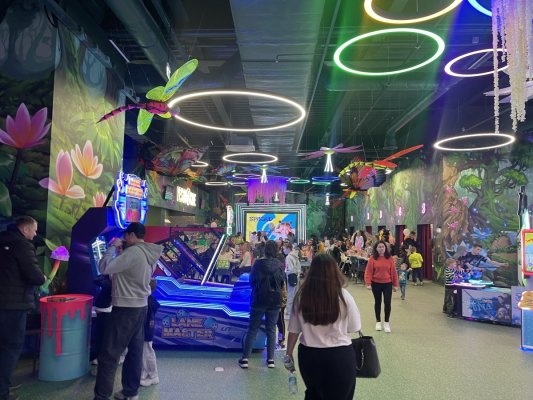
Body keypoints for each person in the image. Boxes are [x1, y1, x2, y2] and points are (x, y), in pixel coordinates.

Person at [94, 222, 163, 400]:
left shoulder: (133, 253)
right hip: (141, 307)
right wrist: (120, 254)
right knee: (134, 352)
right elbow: (127, 274)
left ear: (132, 236)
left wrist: (111, 247)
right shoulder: (148, 253)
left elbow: (103, 268)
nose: (124, 239)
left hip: (125, 309)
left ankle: (101, 396)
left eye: (125, 236)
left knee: (109, 354)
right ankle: (130, 392)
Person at [285, 254, 361, 399]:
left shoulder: (302, 296)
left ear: (311, 271)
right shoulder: (344, 296)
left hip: (309, 356)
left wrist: (288, 354)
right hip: (340, 355)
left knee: (314, 394)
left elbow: (293, 330)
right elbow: (354, 327)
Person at [0, 216, 46, 400]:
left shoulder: (3, 240)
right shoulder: (23, 245)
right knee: (10, 347)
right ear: (25, 229)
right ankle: (2, 391)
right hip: (14, 305)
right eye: (34, 230)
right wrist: (43, 278)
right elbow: (35, 276)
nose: (35, 234)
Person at [239, 241, 285, 369]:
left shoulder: (257, 264)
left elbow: (251, 281)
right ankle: (270, 360)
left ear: (265, 250)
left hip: (258, 299)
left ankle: (245, 359)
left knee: (253, 328)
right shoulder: (279, 265)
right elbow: (282, 282)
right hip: (275, 300)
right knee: (271, 329)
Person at [365, 241, 399, 333]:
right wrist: (368, 283)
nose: (381, 248)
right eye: (379, 247)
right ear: (376, 248)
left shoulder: (390, 258)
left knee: (387, 303)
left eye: (383, 247)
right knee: (378, 302)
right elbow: (368, 272)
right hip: (376, 283)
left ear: (385, 248)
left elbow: (394, 272)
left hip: (387, 284)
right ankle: (378, 322)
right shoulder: (372, 258)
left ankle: (386, 323)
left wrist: (395, 284)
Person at [140, 279, 160, 387]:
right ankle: (145, 373)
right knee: (144, 353)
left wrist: (146, 332)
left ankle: (153, 376)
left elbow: (149, 320)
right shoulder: (150, 300)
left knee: (147, 352)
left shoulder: (149, 302)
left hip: (146, 332)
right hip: (146, 331)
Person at [284, 243, 301, 320]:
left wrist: (285, 272)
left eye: (284, 249)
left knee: (290, 294)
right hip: (296, 276)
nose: (284, 250)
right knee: (295, 294)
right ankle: (295, 310)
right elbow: (299, 267)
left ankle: (289, 311)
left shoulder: (288, 257)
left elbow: (289, 269)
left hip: (291, 277)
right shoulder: (296, 256)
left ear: (288, 248)